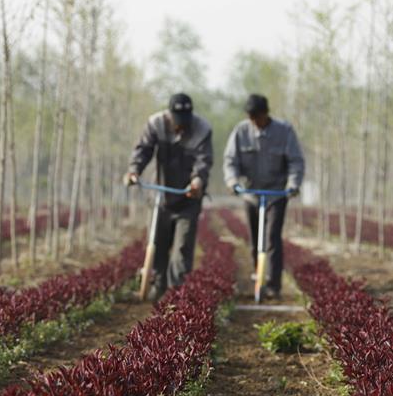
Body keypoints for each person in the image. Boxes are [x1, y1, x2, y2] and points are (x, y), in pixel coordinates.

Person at [125, 93, 213, 300]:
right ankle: (158, 286)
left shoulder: (202, 129)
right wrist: (134, 170)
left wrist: (198, 180)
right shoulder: (156, 124)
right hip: (160, 196)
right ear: (170, 115)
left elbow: (203, 161)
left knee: (182, 248)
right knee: (156, 243)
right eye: (177, 120)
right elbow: (143, 150)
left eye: (185, 120)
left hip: (188, 198)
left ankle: (176, 294)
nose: (181, 125)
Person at [223, 93, 305, 299]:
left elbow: (296, 161)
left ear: (266, 114)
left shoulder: (284, 131)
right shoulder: (241, 132)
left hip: (276, 194)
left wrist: (293, 185)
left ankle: (273, 285)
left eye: (257, 118)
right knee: (255, 240)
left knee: (272, 239)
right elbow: (230, 160)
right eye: (251, 118)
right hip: (251, 194)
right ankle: (258, 276)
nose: (254, 123)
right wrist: (232, 181)